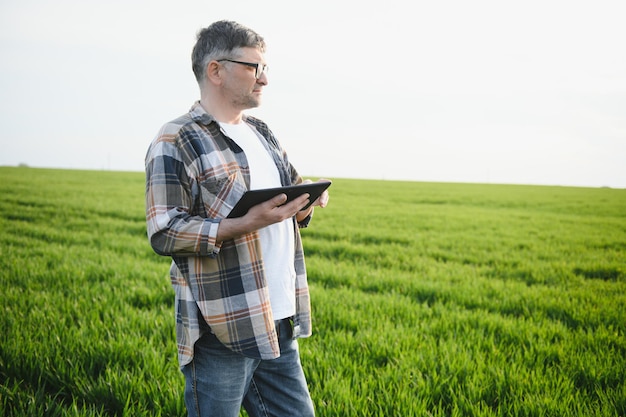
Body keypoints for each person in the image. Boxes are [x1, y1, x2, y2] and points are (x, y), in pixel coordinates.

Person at [144, 20, 328, 417]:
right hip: (223, 326)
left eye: (265, 68)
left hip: (278, 317)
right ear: (216, 70)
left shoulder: (261, 132)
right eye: (254, 67)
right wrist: (244, 224)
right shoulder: (176, 138)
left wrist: (309, 197)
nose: (264, 78)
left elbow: (288, 195)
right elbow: (164, 230)